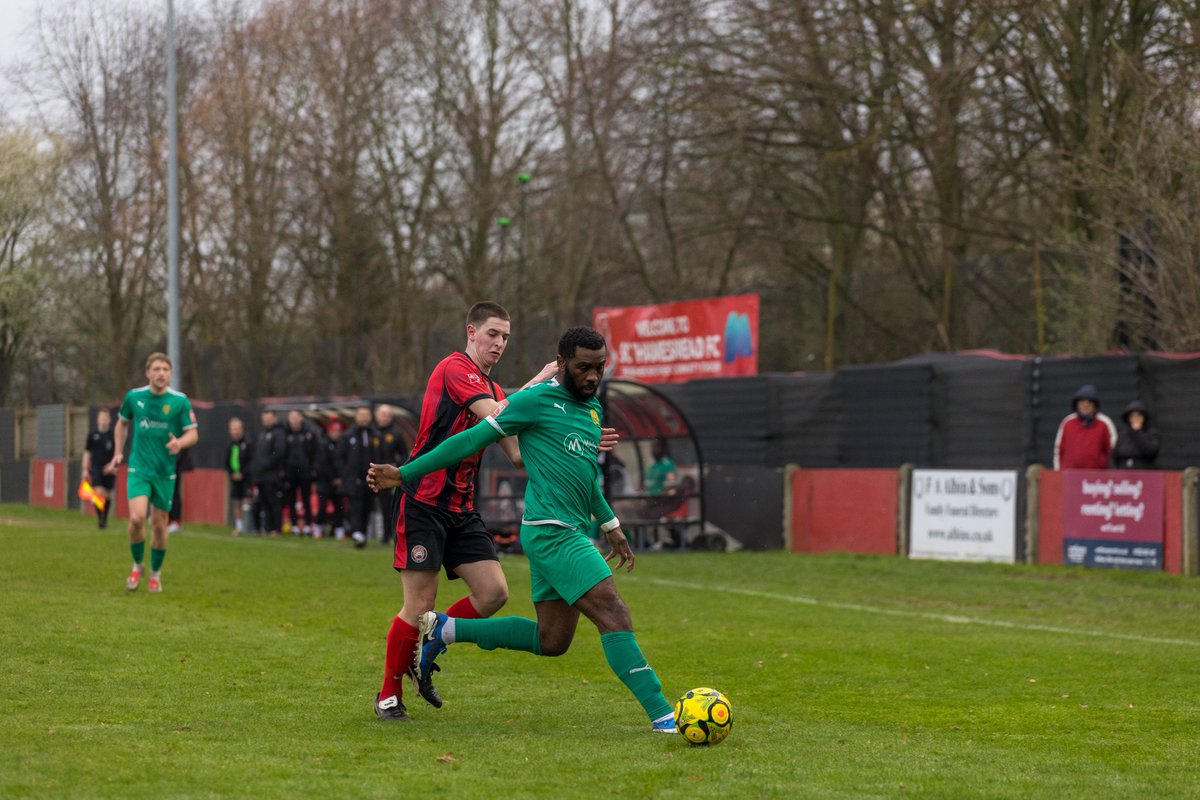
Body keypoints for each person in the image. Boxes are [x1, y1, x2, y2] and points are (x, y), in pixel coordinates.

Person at [368, 326, 675, 734]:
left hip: (570, 530)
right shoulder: (535, 400)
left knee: (552, 641)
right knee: (613, 613)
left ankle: (445, 628)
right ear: (562, 364)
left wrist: (610, 523)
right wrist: (405, 472)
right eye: (584, 368)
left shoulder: (592, 410)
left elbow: (583, 478)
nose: (592, 377)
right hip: (552, 533)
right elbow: (468, 440)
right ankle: (665, 717)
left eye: (600, 368)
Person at [364, 300, 568, 722]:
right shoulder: (454, 369)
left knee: (493, 592)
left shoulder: (496, 390)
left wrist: (572, 447)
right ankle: (388, 694)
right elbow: (495, 415)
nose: (499, 343)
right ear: (470, 331)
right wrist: (537, 384)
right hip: (423, 501)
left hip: (461, 507)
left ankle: (432, 638)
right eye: (492, 333)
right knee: (419, 602)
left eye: (506, 337)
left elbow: (515, 454)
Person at [107, 352, 199, 593]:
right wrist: (118, 452)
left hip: (165, 471)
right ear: (148, 373)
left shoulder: (179, 401)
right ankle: (137, 565)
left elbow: (193, 433)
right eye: (156, 369)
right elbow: (122, 423)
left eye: (165, 369)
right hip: (139, 468)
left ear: (170, 374)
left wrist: (180, 442)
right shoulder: (134, 397)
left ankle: (156, 574)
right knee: (137, 518)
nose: (161, 373)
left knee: (159, 525)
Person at [1053, 384, 1117, 470]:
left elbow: (1113, 452)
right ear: (1077, 404)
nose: (1086, 405)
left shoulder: (1105, 423)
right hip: (1069, 477)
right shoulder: (1067, 422)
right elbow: (1058, 450)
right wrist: (1058, 473)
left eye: (1089, 402)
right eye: (1082, 402)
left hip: (1096, 479)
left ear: (1095, 404)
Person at [339, 406, 376, 548]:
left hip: (370, 477)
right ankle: (356, 533)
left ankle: (363, 534)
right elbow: (339, 456)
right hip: (353, 479)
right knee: (355, 506)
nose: (364, 418)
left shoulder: (374, 434)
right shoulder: (348, 435)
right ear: (356, 417)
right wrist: (345, 473)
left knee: (367, 506)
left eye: (366, 415)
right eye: (361, 415)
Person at [372, 404, 404, 544]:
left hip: (388, 476)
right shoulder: (371, 432)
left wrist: (396, 466)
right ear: (376, 415)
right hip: (372, 473)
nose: (384, 417)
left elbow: (403, 455)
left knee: (388, 506)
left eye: (387, 415)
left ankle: (389, 535)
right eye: (381, 414)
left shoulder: (396, 434)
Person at [251, 408, 287, 536]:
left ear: (274, 417)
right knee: (263, 502)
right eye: (264, 416)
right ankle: (267, 527)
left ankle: (276, 528)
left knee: (274, 502)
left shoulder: (279, 433)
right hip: (260, 475)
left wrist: (266, 465)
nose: (265, 419)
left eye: (268, 416)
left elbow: (279, 453)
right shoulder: (261, 434)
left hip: (272, 475)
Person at [283, 410, 318, 535]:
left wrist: (312, 469)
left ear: (301, 419)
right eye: (292, 417)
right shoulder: (285, 434)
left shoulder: (309, 434)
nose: (294, 420)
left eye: (296, 417)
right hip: (290, 472)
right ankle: (294, 526)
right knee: (291, 499)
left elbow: (314, 453)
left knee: (306, 499)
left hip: (305, 472)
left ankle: (308, 525)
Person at [81, 407, 116, 529]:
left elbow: (118, 453)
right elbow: (87, 452)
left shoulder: (113, 436)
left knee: (107, 495)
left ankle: (104, 519)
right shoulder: (92, 435)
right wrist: (85, 469)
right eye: (101, 418)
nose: (103, 420)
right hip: (96, 468)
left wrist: (113, 466)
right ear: (97, 420)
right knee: (98, 492)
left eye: (106, 418)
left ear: (109, 420)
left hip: (109, 469)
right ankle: (100, 518)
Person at [315, 419, 345, 539]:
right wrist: (332, 477)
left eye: (339, 431)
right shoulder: (323, 444)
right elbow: (322, 464)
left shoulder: (343, 445)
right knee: (322, 507)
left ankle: (339, 530)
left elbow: (344, 463)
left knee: (339, 508)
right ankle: (318, 528)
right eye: (335, 431)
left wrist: (340, 477)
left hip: (338, 482)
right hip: (325, 481)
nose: (337, 433)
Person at [1113, 399, 1161, 469]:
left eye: (1138, 416)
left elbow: (1151, 451)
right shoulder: (1122, 434)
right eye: (1132, 416)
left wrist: (1137, 432)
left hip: (1144, 474)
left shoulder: (1151, 433)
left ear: (1144, 418)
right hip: (1124, 474)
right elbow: (1113, 456)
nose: (1135, 419)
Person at [226, 417, 252, 535]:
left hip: (246, 478)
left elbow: (251, 461)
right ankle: (239, 526)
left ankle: (249, 526)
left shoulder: (247, 443)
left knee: (247, 500)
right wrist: (232, 473)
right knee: (237, 502)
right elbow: (227, 462)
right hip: (234, 477)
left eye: (237, 429)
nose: (235, 431)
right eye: (233, 429)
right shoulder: (230, 445)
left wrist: (243, 473)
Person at [166, 447, 193, 533]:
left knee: (174, 495)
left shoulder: (179, 439)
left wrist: (173, 464)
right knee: (168, 494)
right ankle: (169, 520)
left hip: (174, 468)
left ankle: (176, 522)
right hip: (167, 468)